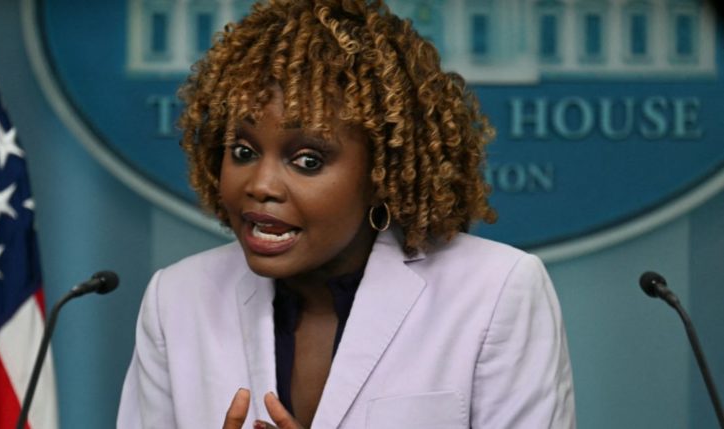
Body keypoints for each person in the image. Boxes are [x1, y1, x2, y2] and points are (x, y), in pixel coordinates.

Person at [117, 0, 576, 427]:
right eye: (242, 151)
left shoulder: (495, 292)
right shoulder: (176, 300)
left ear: (381, 173)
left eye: (308, 161)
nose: (259, 184)